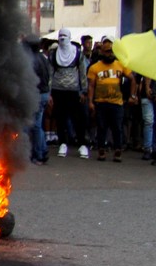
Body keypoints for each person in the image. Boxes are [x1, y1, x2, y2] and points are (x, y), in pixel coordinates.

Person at [86, 39, 135, 162]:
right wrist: (90, 102)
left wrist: (132, 96)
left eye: (112, 52)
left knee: (117, 127)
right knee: (102, 127)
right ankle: (101, 149)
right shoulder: (95, 67)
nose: (111, 54)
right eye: (108, 52)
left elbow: (132, 79)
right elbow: (91, 85)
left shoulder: (120, 65)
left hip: (117, 102)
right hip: (101, 102)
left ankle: (117, 150)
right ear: (102, 52)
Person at [49, 29, 90, 159]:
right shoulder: (54, 53)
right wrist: (49, 93)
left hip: (74, 91)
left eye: (65, 36)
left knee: (79, 118)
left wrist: (84, 91)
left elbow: (82, 73)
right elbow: (50, 73)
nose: (62, 39)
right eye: (60, 36)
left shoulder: (78, 53)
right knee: (60, 118)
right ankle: (62, 143)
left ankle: (82, 144)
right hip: (58, 90)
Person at [24, 35, 51, 165]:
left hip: (37, 95)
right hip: (44, 94)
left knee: (34, 126)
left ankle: (39, 154)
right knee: (37, 126)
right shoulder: (43, 58)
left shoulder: (32, 60)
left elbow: (30, 80)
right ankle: (42, 151)